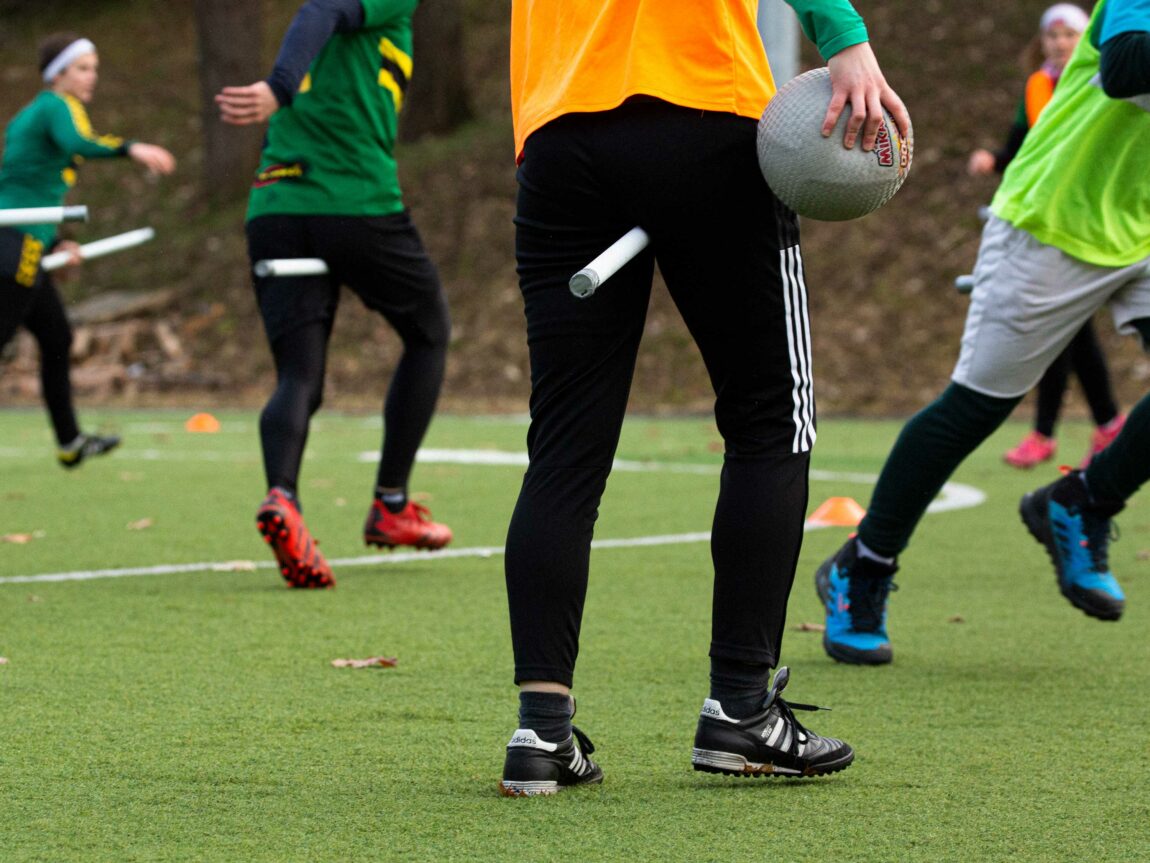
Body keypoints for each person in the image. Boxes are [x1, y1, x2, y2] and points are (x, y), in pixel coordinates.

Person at [498, 0, 910, 795]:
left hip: (559, 134)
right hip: (700, 114)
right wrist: (845, 36)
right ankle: (741, 708)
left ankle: (541, 731)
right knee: (769, 418)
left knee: (563, 448)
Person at [816, 0, 1150, 666]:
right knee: (975, 408)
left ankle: (1083, 500)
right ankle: (864, 564)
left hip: (1140, 225)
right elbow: (1125, 66)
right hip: (1050, 221)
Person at [216, 0, 452, 590]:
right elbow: (323, 8)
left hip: (275, 205)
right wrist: (278, 86)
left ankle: (283, 499)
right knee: (429, 333)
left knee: (299, 374)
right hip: (354, 204)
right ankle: (391, 504)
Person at [0, 33, 175, 468]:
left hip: (29, 239)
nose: (91, 76)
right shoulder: (57, 107)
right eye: (82, 68)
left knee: (57, 337)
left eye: (94, 68)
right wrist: (131, 148)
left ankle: (70, 441)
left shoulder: (42, 114)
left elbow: (29, 186)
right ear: (57, 74)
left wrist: (57, 241)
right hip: (14, 241)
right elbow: (80, 143)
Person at [968, 4, 1126, 471]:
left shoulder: (1101, 79)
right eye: (1052, 36)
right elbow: (1024, 143)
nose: (1060, 43)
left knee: (1063, 326)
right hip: (1046, 216)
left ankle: (1092, 426)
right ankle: (1087, 428)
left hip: (1087, 217)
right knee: (1062, 327)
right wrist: (995, 161)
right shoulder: (1037, 84)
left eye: (1069, 35)